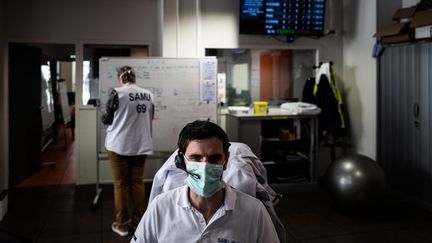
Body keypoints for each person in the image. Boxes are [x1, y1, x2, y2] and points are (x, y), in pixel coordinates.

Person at [132, 120, 280, 243]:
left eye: (214, 158)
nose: (205, 166)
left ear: (226, 160)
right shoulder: (161, 207)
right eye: (196, 158)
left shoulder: (254, 211)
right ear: (182, 161)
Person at [101, 65, 154, 237]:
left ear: (121, 79)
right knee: (137, 184)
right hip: (141, 144)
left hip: (119, 145)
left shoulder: (117, 93)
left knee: (120, 185)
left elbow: (106, 119)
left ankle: (122, 225)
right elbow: (150, 117)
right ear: (134, 78)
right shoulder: (148, 95)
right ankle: (138, 222)